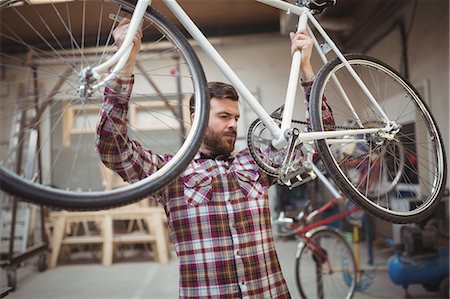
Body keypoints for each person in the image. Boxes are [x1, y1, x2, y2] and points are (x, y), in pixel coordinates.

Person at [96, 18, 320, 299]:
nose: (233, 125)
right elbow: (111, 147)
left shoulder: (256, 164)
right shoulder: (171, 173)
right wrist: (126, 62)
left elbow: (316, 144)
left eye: (236, 118)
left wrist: (308, 70)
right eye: (224, 117)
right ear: (196, 119)